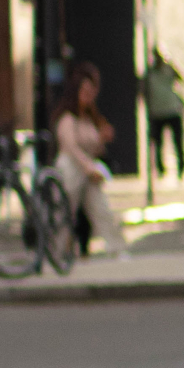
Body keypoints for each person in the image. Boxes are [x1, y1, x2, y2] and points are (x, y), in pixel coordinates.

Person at [51, 62, 126, 259]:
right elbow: (71, 147)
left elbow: (94, 148)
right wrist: (87, 167)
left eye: (91, 91)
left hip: (88, 169)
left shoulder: (90, 118)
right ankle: (58, 251)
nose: (88, 95)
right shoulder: (67, 118)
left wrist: (102, 140)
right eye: (84, 90)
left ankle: (116, 248)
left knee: (101, 208)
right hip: (71, 168)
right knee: (66, 211)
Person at [144, 50, 184, 178]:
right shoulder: (150, 74)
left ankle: (181, 166)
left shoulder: (168, 70)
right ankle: (160, 168)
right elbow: (144, 92)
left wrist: (171, 65)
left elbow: (181, 78)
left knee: (178, 141)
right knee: (158, 143)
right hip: (157, 112)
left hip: (172, 110)